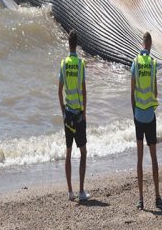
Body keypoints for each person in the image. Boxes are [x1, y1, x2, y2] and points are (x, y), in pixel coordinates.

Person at [131, 32, 162, 210]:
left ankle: (141, 199)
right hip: (150, 116)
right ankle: (158, 196)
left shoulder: (135, 62)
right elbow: (156, 91)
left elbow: (132, 91)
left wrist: (134, 111)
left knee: (139, 158)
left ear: (142, 43)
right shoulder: (153, 64)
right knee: (153, 158)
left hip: (138, 116)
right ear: (150, 45)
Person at [58, 29, 90, 202]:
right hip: (78, 114)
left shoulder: (63, 64)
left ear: (67, 43)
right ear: (76, 44)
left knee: (68, 152)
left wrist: (63, 111)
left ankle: (70, 192)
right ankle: (81, 191)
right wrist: (84, 112)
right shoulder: (81, 64)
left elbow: (59, 91)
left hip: (68, 114)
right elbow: (84, 91)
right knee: (83, 153)